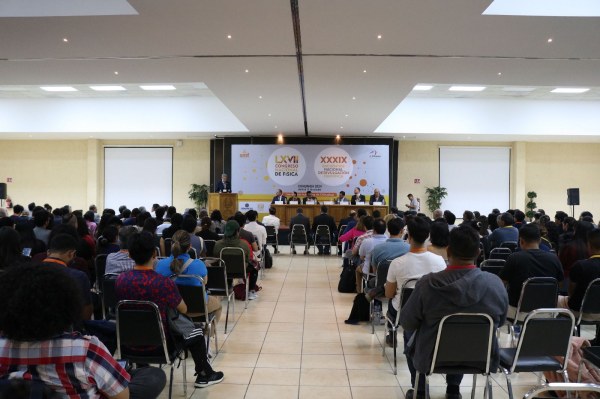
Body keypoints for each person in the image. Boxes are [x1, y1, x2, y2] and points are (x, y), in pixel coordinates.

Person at [0, 264, 167, 399]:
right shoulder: (85, 350)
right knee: (153, 375)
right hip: (95, 380)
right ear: (66, 304)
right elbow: (122, 397)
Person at [399, 225, 508, 399]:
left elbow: (407, 322)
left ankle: (419, 389)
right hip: (479, 355)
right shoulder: (495, 284)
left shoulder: (427, 284)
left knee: (410, 333)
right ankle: (453, 389)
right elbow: (501, 322)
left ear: (448, 251)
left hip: (432, 355)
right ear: (478, 253)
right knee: (466, 332)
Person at [115, 232, 224, 388]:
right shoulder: (163, 283)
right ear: (154, 253)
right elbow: (184, 309)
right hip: (163, 344)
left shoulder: (120, 280)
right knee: (196, 331)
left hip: (128, 344)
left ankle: (140, 369)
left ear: (130, 254)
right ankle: (204, 374)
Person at [156, 230, 222, 326]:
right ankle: (205, 334)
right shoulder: (199, 264)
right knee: (218, 305)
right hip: (197, 308)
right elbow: (205, 283)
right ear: (190, 246)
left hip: (171, 309)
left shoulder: (160, 265)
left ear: (171, 244)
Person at [498, 223, 564, 318]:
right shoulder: (553, 258)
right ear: (540, 240)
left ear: (521, 241)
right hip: (547, 311)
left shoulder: (515, 258)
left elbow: (502, 283)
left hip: (518, 311)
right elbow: (560, 284)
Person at [213, 220, 259, 300]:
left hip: (223, 270)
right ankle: (251, 291)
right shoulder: (244, 244)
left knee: (227, 264)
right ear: (238, 231)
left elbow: (216, 257)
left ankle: (228, 286)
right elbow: (248, 259)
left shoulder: (218, 244)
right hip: (241, 270)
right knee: (255, 266)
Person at [356, 218, 388, 292]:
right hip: (387, 272)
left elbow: (361, 256)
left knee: (358, 269)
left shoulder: (366, 241)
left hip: (370, 272)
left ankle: (358, 291)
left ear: (374, 229)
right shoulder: (388, 240)